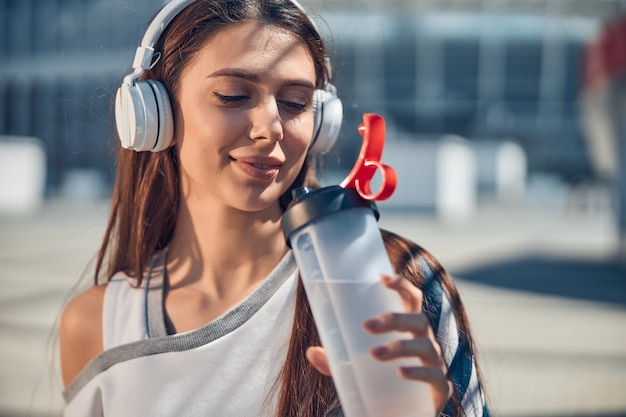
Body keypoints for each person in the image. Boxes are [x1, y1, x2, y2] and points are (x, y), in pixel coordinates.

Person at [59, 0, 490, 416]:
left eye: (296, 102)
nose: (270, 128)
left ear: (321, 122)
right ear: (155, 112)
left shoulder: (391, 282)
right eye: (232, 95)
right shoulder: (96, 324)